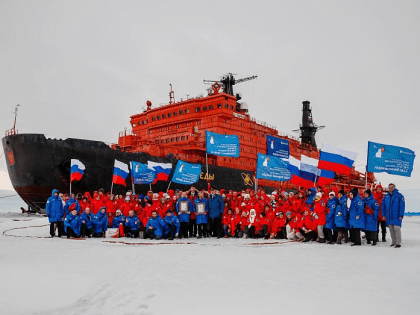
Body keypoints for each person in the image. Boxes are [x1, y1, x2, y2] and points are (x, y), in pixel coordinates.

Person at [382, 183, 405, 248]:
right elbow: (383, 206)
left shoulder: (399, 196)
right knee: (391, 229)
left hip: (396, 215)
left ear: (394, 187)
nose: (390, 188)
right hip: (388, 215)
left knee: (397, 228)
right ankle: (393, 242)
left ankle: (398, 243)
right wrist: (383, 215)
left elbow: (402, 206)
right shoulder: (386, 196)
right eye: (389, 187)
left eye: (392, 187)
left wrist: (401, 215)